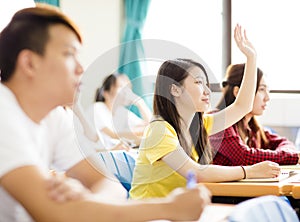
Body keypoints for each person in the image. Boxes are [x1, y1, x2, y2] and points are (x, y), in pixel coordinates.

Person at [0, 4, 211, 222]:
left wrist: (85, 199)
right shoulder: (4, 116)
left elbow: (112, 186)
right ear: (29, 63)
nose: (81, 68)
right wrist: (169, 209)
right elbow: (54, 213)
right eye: (69, 54)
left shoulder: (53, 116)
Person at [129, 25, 281, 199]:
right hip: (148, 214)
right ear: (175, 90)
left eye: (206, 83)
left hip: (175, 213)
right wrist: (248, 171)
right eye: (199, 82)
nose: (207, 91)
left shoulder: (198, 125)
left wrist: (251, 58)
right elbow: (196, 173)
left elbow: (242, 107)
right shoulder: (159, 130)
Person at [209, 63, 300, 166]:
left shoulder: (252, 125)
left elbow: (284, 142)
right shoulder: (218, 120)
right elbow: (244, 157)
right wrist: (291, 157)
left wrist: (289, 154)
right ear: (238, 92)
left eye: (267, 90)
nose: (267, 97)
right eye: (261, 89)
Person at [94, 73, 152, 150]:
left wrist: (140, 103)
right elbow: (113, 134)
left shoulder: (121, 111)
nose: (127, 91)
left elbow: (151, 125)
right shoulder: (98, 107)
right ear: (106, 94)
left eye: (128, 87)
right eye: (121, 87)